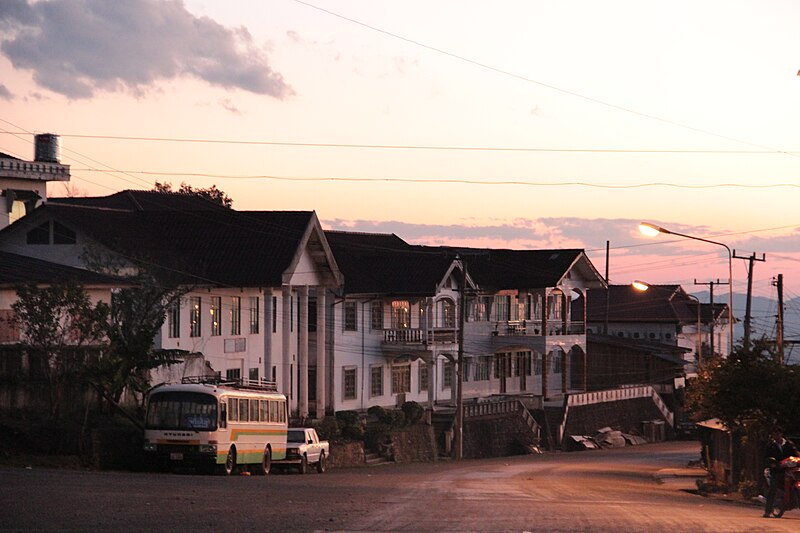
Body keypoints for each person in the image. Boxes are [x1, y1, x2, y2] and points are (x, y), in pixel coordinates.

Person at [763, 426, 799, 517]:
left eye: (778, 434)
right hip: (777, 471)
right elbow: (766, 457)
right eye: (774, 434)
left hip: (790, 469)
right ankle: (767, 511)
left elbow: (795, 454)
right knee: (773, 488)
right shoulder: (771, 446)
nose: (776, 436)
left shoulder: (789, 444)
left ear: (781, 434)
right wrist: (773, 464)